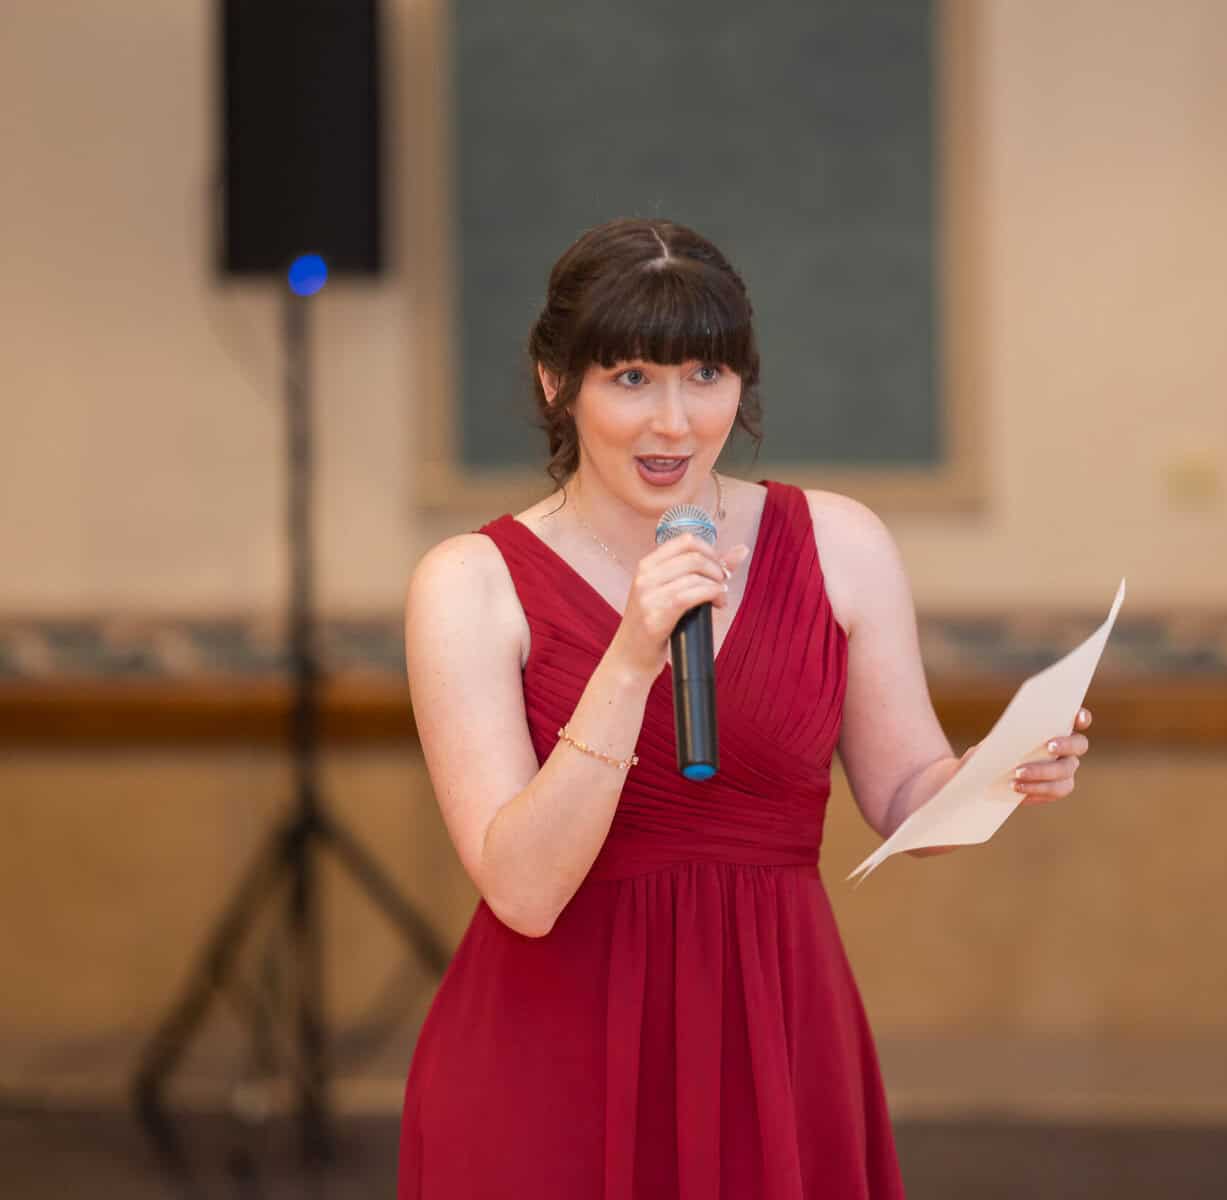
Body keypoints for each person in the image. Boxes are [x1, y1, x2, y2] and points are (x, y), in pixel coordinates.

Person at [398, 217, 1092, 1198]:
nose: (673, 422)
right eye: (631, 378)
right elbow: (522, 888)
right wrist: (631, 657)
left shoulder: (840, 544)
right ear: (557, 383)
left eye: (704, 377)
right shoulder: (469, 582)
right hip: (548, 1049)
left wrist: (997, 772)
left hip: (775, 1028)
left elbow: (903, 794)